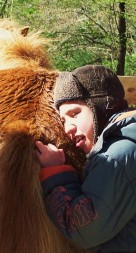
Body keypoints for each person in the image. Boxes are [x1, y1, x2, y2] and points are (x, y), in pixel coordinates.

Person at [35, 65, 136, 253]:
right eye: (64, 120)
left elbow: (84, 231)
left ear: (100, 105)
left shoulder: (117, 157)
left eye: (75, 114)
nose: (68, 129)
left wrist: (56, 173)